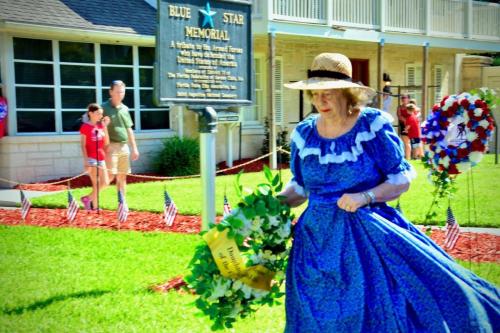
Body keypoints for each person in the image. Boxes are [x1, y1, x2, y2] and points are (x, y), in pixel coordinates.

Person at [281, 53, 499, 332]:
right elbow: (299, 187)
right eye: (315, 93)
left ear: (348, 93)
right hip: (315, 242)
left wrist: (366, 196)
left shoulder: (371, 126)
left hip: (366, 238)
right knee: (314, 312)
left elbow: (401, 177)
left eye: (329, 93)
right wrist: (265, 206)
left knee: (381, 309)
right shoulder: (304, 134)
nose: (320, 101)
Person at [102, 80, 139, 197]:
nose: (120, 94)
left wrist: (134, 149)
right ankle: (91, 198)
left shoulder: (125, 109)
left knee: (122, 177)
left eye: (122, 92)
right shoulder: (103, 108)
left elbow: (129, 129)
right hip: (110, 147)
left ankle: (122, 204)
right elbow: (96, 128)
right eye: (117, 92)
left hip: (124, 147)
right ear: (110, 92)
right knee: (110, 176)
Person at [80, 103, 109, 210]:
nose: (100, 116)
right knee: (96, 184)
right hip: (91, 159)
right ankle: (95, 207)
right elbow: (82, 145)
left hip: (101, 157)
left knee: (105, 183)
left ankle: (87, 198)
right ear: (90, 113)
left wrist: (105, 127)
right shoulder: (85, 127)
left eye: (101, 114)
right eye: (98, 113)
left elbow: (106, 142)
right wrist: (86, 160)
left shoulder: (101, 125)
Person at [397, 94, 412, 159]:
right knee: (406, 142)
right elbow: (399, 116)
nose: (403, 99)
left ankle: (412, 157)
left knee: (413, 142)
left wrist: (409, 121)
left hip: (411, 125)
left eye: (404, 98)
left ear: (408, 99)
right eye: (402, 98)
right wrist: (406, 121)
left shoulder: (411, 106)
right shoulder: (399, 107)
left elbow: (416, 113)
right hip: (403, 125)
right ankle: (407, 157)